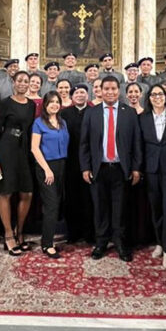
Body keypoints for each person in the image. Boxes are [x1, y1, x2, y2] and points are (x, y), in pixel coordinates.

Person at [80, 76, 143, 262]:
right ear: (99, 90)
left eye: (113, 88)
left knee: (120, 207)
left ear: (119, 90)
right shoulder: (91, 113)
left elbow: (137, 143)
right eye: (106, 88)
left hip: (121, 169)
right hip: (98, 168)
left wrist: (136, 168)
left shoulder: (129, 113)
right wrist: (85, 167)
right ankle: (101, 243)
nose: (110, 92)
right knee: (100, 207)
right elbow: (84, 143)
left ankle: (120, 243)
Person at [0, 72, 37, 256]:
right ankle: (9, 234)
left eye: (27, 81)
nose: (23, 84)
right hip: (6, 149)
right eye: (20, 81)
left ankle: (20, 231)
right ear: (14, 83)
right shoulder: (6, 103)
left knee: (27, 192)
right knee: (6, 191)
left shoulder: (32, 105)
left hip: (23, 149)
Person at [139, 84, 166, 269]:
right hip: (151, 170)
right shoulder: (143, 118)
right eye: (153, 95)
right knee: (156, 209)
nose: (157, 97)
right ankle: (160, 242)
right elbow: (139, 144)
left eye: (160, 94)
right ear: (148, 98)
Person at [30, 92, 70, 259]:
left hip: (62, 165)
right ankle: (47, 244)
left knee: (58, 202)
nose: (54, 104)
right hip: (46, 166)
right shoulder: (38, 123)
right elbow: (34, 148)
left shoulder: (63, 122)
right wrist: (47, 169)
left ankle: (52, 237)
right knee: (51, 204)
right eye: (51, 102)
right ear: (45, 105)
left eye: (57, 102)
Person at [60, 84, 95, 244]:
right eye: (77, 93)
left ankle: (89, 233)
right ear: (72, 96)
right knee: (72, 197)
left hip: (90, 161)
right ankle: (73, 232)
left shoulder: (94, 112)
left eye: (83, 92)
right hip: (70, 161)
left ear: (87, 96)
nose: (80, 95)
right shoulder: (64, 113)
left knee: (89, 198)